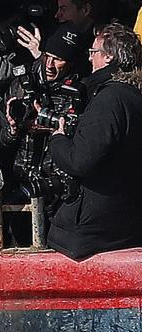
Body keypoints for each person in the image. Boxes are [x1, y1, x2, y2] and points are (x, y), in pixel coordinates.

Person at [44, 22, 142, 260]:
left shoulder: (110, 99)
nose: (89, 59)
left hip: (92, 231)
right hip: (127, 222)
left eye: (93, 52)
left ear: (108, 56)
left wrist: (57, 138)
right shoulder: (134, 96)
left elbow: (80, 161)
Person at [1, 23, 88, 229]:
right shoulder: (22, 84)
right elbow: (2, 141)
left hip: (59, 189)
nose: (49, 64)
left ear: (71, 62)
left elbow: (86, 137)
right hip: (20, 182)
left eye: (58, 59)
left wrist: (47, 120)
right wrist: (13, 130)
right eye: (46, 55)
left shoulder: (80, 91)